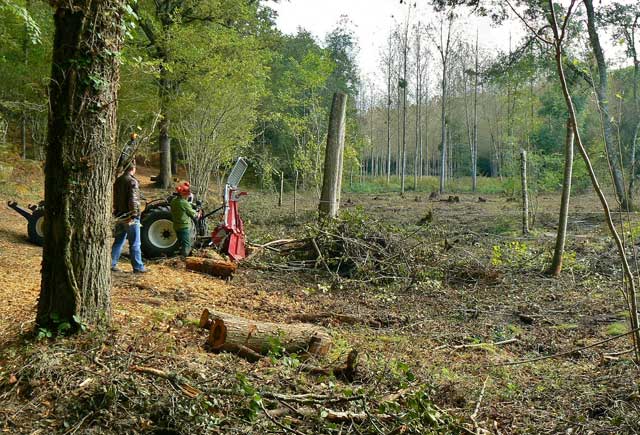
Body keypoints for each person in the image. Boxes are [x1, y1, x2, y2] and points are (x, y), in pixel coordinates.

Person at [111, 161, 147, 273]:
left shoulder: (118, 180)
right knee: (135, 243)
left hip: (119, 214)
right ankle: (138, 267)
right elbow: (134, 200)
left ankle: (111, 263)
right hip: (130, 216)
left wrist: (116, 211)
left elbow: (115, 198)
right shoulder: (132, 181)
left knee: (118, 241)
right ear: (133, 169)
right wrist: (134, 215)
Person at [171, 182, 200, 257]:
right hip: (184, 227)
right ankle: (185, 259)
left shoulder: (174, 201)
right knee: (186, 245)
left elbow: (183, 208)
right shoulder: (184, 203)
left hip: (176, 226)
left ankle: (179, 256)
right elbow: (193, 214)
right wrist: (198, 213)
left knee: (180, 242)